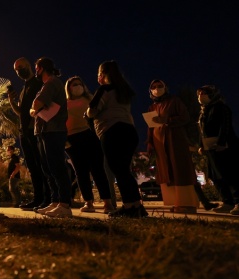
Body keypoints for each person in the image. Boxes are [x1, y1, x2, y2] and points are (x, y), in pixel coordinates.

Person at [86, 61, 147, 218]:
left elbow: (92, 110)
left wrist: (86, 114)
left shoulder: (104, 89)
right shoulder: (124, 90)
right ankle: (136, 206)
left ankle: (129, 207)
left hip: (112, 131)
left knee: (118, 170)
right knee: (124, 170)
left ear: (103, 74)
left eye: (99, 74)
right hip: (129, 131)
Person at [146, 80, 198, 213]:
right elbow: (151, 128)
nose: (157, 89)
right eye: (154, 87)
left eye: (160, 86)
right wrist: (150, 143)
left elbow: (185, 117)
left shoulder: (174, 101)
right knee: (167, 172)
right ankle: (176, 203)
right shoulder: (152, 107)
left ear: (165, 88)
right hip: (160, 145)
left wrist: (167, 121)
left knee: (180, 170)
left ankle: (187, 204)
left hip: (174, 141)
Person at [30, 57, 73, 218]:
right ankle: (55, 202)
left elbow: (35, 105)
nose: (35, 71)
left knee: (57, 167)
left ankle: (64, 204)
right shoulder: (47, 85)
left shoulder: (52, 83)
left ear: (41, 68)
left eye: (36, 68)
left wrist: (35, 110)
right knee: (48, 168)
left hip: (53, 130)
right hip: (44, 130)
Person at [64, 76, 114, 213]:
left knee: (98, 170)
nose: (77, 86)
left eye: (80, 84)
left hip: (90, 135)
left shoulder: (90, 98)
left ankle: (107, 203)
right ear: (69, 88)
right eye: (74, 84)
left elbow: (99, 112)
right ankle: (88, 202)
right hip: (72, 139)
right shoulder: (64, 103)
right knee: (81, 172)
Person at [9, 57, 49, 210]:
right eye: (16, 70)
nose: (19, 71)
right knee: (32, 167)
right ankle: (38, 199)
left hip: (35, 131)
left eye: (21, 67)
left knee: (41, 165)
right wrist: (12, 101)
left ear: (29, 66)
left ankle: (47, 198)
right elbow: (21, 112)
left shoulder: (39, 84)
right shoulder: (24, 88)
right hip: (24, 132)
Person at [197, 85, 239, 215]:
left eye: (204, 93)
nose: (200, 96)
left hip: (224, 147)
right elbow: (202, 130)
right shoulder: (203, 111)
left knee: (229, 174)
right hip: (210, 148)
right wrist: (201, 145)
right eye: (199, 94)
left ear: (212, 94)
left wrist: (222, 142)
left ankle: (238, 201)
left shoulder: (221, 108)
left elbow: (225, 126)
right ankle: (227, 202)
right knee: (215, 176)